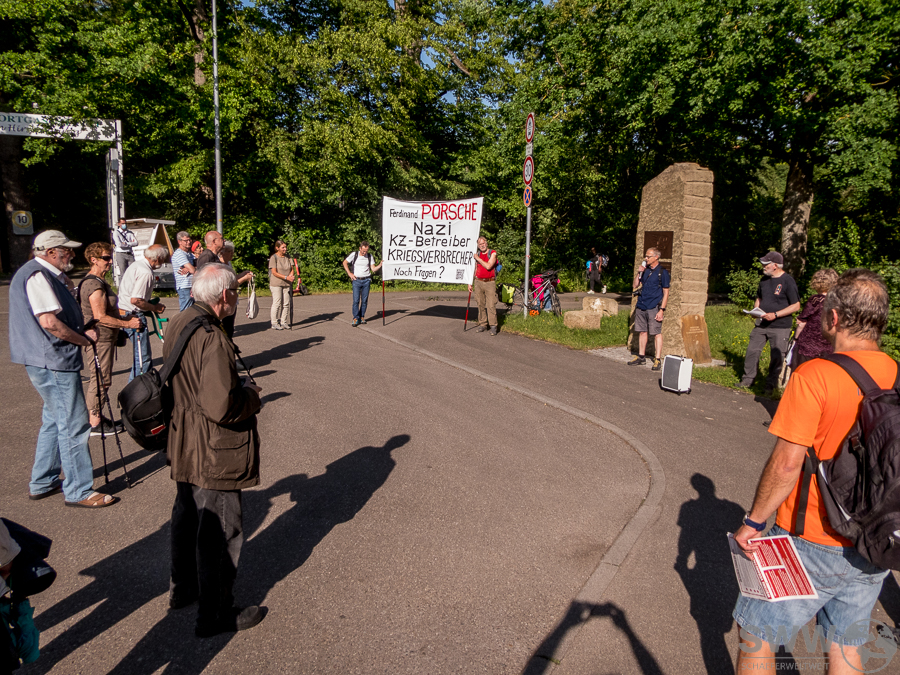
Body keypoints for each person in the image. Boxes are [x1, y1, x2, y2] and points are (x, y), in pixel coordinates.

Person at [732, 269, 895, 674]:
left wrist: (754, 521)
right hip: (874, 539)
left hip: (811, 538)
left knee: (756, 635)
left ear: (834, 318)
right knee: (845, 644)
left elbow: (787, 463)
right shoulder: (895, 374)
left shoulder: (815, 375)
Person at [164, 263, 266, 638]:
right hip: (214, 447)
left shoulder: (179, 319)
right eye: (235, 292)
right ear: (225, 295)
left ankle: (183, 589)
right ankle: (215, 613)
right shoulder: (213, 338)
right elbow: (221, 406)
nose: (236, 297)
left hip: (184, 437)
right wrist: (251, 397)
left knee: (187, 516)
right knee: (220, 529)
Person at [8, 230, 117, 508]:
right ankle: (78, 490)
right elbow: (49, 322)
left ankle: (43, 480)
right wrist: (83, 339)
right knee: (73, 423)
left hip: (47, 358)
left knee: (55, 419)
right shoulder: (38, 275)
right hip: (52, 358)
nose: (71, 255)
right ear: (50, 252)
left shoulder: (44, 274)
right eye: (66, 251)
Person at [78, 242, 141, 435]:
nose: (110, 261)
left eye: (110, 257)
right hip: (100, 339)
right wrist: (128, 324)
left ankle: (96, 417)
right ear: (93, 260)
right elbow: (100, 317)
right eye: (105, 258)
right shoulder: (93, 285)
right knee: (100, 379)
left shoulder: (100, 281)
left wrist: (124, 317)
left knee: (103, 378)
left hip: (107, 338)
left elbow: (109, 310)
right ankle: (94, 421)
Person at [739, 251, 801, 394]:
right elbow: (759, 298)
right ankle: (748, 380)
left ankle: (770, 385)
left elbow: (796, 306)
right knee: (752, 351)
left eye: (766, 264)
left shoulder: (788, 281)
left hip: (780, 326)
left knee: (776, 356)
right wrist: (756, 310)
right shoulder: (764, 280)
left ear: (775, 266)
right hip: (761, 324)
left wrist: (776, 315)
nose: (763, 266)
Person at [117, 244, 168, 382]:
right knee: (143, 358)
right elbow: (136, 300)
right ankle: (137, 389)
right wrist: (154, 308)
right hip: (133, 314)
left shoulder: (136, 265)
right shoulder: (146, 272)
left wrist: (149, 303)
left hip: (124, 311)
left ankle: (141, 386)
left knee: (140, 356)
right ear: (158, 258)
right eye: (164, 258)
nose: (164, 261)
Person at [628, 247, 670, 371]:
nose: (646, 258)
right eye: (645, 256)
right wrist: (639, 273)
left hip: (654, 306)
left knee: (656, 333)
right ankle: (641, 357)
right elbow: (635, 285)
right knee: (642, 331)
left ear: (656, 257)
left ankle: (657, 359)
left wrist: (662, 310)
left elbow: (666, 292)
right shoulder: (645, 270)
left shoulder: (662, 272)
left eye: (648, 256)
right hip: (641, 305)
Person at [792, 268, 839, 370]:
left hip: (807, 345)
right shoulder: (837, 302)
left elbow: (802, 322)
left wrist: (795, 339)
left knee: (801, 372)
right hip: (828, 347)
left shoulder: (815, 300)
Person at [343, 241, 382, 327]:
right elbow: (345, 262)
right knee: (356, 300)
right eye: (363, 251)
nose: (365, 253)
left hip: (366, 280)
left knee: (364, 301)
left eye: (366, 251)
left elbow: (373, 269)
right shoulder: (354, 254)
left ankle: (362, 316)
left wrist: (380, 265)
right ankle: (355, 318)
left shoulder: (369, 256)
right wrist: (349, 273)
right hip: (356, 280)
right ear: (360, 248)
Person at [219, 240, 253, 339]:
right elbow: (229, 284)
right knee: (226, 326)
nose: (232, 254)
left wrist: (242, 274)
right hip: (224, 299)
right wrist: (244, 278)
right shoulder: (220, 266)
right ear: (222, 253)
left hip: (232, 298)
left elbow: (233, 279)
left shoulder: (229, 264)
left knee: (230, 326)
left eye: (232, 251)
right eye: (229, 251)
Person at [467, 236, 499, 335]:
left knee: (491, 304)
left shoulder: (492, 253)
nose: (482, 245)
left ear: (486, 243)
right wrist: (470, 282)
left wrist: (478, 258)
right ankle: (483, 324)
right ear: (478, 245)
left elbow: (489, 266)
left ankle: (493, 325)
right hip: (478, 282)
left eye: (483, 243)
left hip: (490, 282)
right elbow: (474, 269)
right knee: (480, 303)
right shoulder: (477, 254)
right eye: (480, 244)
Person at [268, 240, 294, 330]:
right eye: (283, 247)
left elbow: (292, 268)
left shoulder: (288, 257)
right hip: (276, 284)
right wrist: (286, 277)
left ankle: (284, 321)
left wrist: (291, 276)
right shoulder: (274, 258)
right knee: (277, 303)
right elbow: (274, 272)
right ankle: (274, 322)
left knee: (286, 303)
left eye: (285, 247)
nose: (285, 249)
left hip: (287, 283)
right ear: (277, 248)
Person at [171, 231, 196, 312]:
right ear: (179, 242)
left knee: (193, 311)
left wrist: (192, 268)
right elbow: (193, 270)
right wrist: (191, 268)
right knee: (186, 312)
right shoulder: (179, 254)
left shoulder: (189, 254)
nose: (188, 242)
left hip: (192, 286)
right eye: (186, 241)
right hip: (185, 286)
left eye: (189, 240)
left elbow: (199, 266)